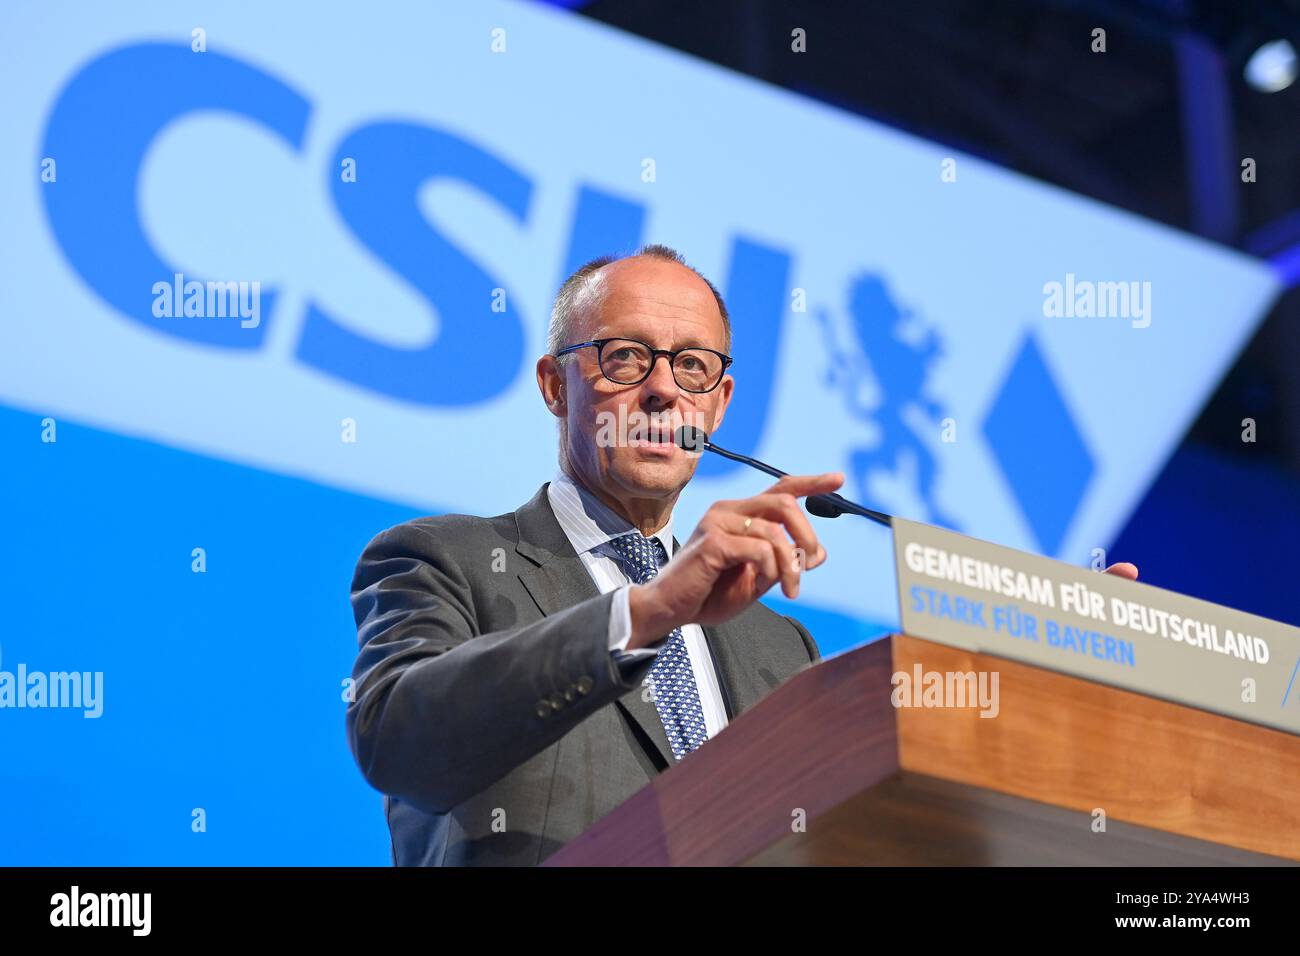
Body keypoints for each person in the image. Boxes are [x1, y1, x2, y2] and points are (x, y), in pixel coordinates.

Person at [345, 244, 1138, 866]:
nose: (663, 390)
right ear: (556, 385)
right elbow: (398, 743)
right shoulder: (442, 559)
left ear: (719, 403)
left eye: (693, 365)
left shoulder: (776, 646)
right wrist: (650, 611)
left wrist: (1021, 686)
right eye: (625, 357)